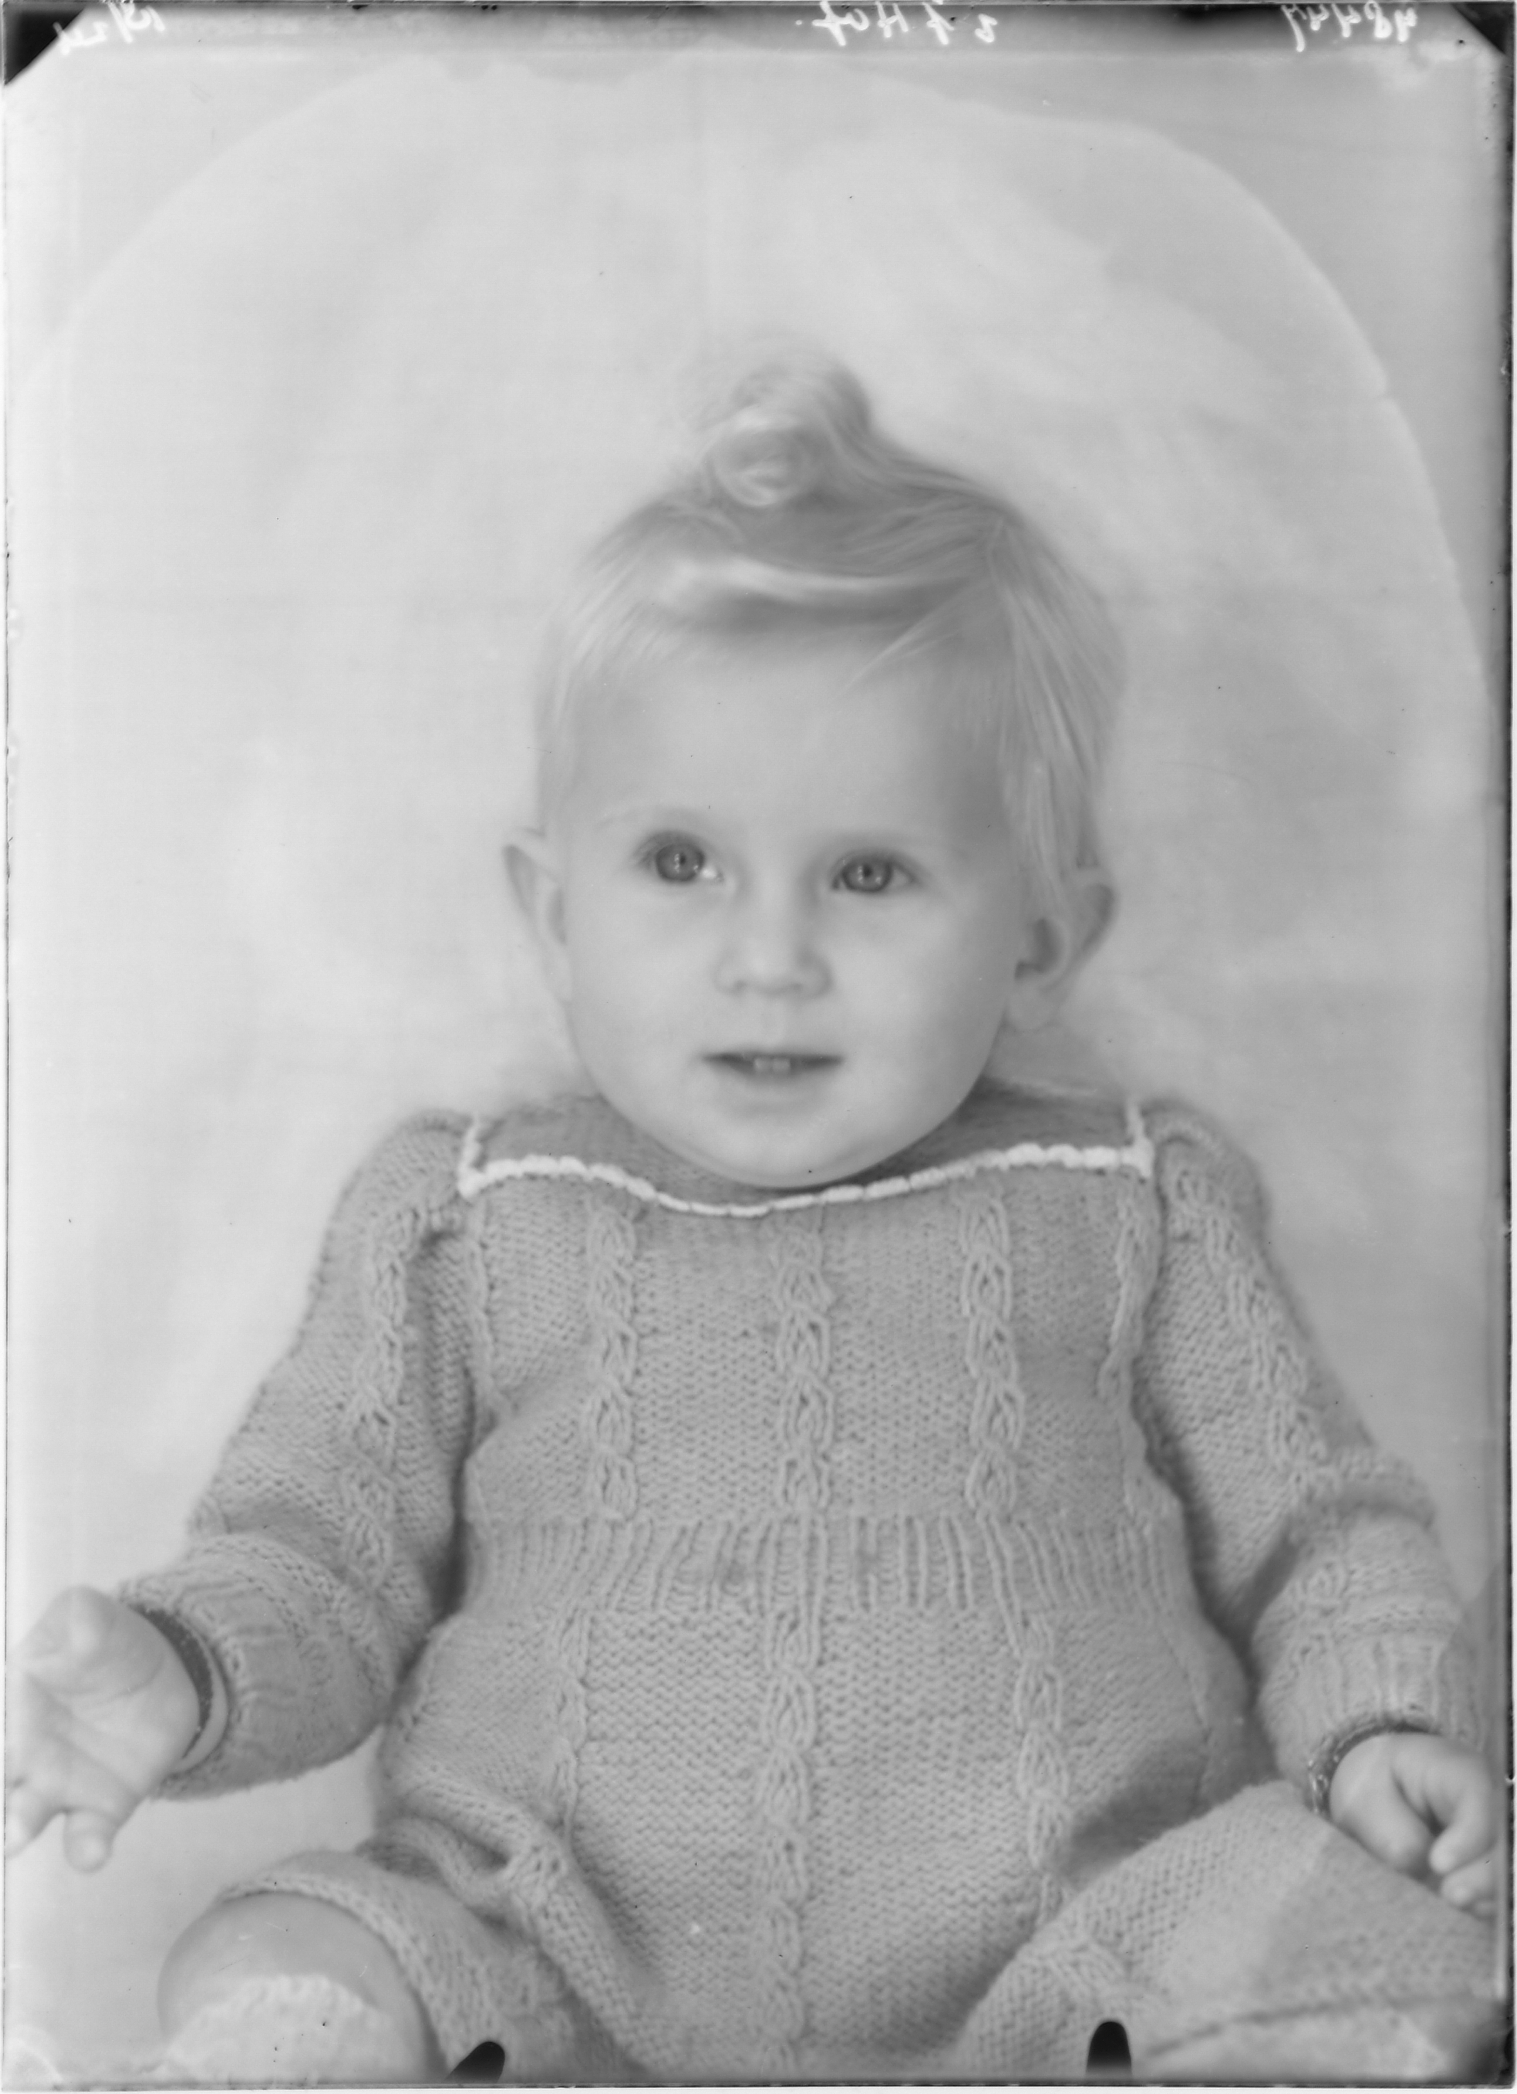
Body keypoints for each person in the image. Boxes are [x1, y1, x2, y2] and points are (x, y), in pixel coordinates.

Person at [6, 353, 1501, 2084]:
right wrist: (186, 1667)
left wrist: (1375, 1722)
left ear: (1038, 937)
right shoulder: (472, 1217)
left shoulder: (1132, 1200)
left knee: (1338, 1922)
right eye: (679, 863)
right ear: (550, 912)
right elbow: (319, 1559)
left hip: (1084, 1925)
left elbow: (1315, 1528)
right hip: (540, 1935)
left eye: (868, 873)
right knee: (289, 1942)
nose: (769, 954)